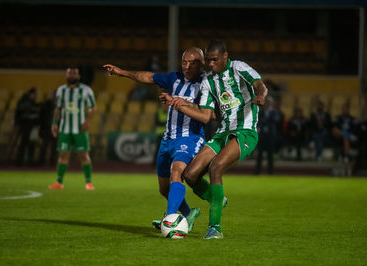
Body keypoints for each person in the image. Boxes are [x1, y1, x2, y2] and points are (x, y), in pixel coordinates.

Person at [161, 39, 267, 239]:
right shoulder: (209, 81)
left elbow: (259, 84)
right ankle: (217, 198)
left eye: (214, 60)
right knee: (190, 175)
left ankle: (215, 228)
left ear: (225, 56)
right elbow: (205, 114)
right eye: (208, 61)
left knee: (215, 167)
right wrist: (180, 103)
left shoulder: (238, 67)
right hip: (222, 133)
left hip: (244, 132)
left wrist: (260, 95)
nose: (210, 64)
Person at [103, 47, 211, 232]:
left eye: (191, 63)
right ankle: (187, 213)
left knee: (176, 172)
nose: (186, 66)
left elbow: (207, 114)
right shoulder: (174, 78)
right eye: (184, 62)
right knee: (164, 189)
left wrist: (180, 102)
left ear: (201, 63)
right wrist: (122, 72)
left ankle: (169, 219)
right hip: (168, 139)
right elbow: (147, 77)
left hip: (189, 137)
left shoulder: (207, 84)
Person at [48, 67, 96, 190]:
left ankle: (88, 182)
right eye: (69, 73)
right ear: (66, 75)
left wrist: (87, 121)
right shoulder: (61, 90)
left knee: (83, 155)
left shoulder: (86, 90)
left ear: (78, 76)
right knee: (63, 155)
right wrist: (54, 123)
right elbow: (58, 108)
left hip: (80, 128)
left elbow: (92, 107)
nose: (72, 75)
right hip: (65, 128)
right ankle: (59, 182)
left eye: (74, 73)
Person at [14, 87, 40, 166]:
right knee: (24, 144)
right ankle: (20, 161)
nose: (35, 96)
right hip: (25, 125)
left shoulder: (31, 102)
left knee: (31, 144)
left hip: (31, 126)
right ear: (31, 94)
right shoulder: (24, 102)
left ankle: (29, 161)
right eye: (34, 94)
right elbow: (21, 112)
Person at [255, 96, 280, 175]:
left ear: (271, 104)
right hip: (262, 135)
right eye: (267, 102)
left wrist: (265, 121)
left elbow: (276, 120)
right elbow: (258, 121)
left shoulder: (274, 112)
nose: (268, 104)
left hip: (270, 136)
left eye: (269, 102)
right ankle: (257, 171)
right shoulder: (261, 111)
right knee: (260, 154)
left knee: (270, 154)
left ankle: (270, 172)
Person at [38, 90, 57, 166]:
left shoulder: (60, 105)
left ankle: (52, 162)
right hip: (46, 128)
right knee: (44, 146)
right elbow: (42, 116)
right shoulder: (46, 104)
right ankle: (41, 162)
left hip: (55, 129)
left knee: (54, 147)